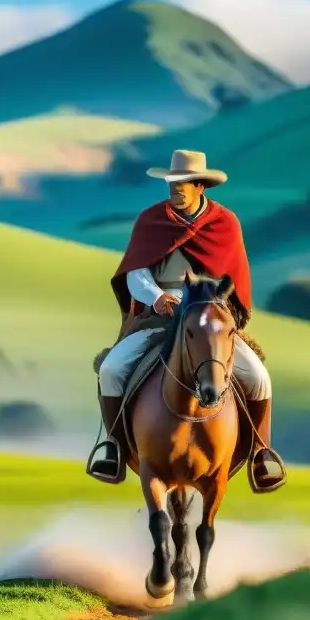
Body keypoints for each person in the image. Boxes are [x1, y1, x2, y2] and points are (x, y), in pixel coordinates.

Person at [86, 149, 287, 493]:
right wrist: (157, 296)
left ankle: (260, 452)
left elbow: (233, 279)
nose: (175, 188)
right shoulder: (151, 222)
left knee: (258, 376)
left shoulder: (225, 223)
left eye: (183, 183)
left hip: (208, 319)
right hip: (158, 318)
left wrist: (214, 307)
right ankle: (114, 447)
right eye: (172, 182)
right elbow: (136, 274)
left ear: (200, 186)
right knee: (111, 370)